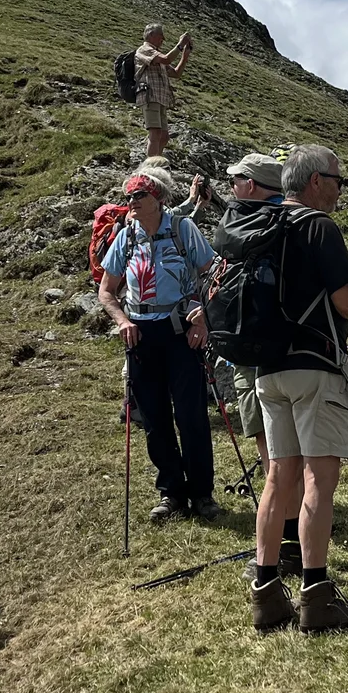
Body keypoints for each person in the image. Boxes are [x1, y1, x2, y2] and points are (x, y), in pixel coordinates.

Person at [249, 144, 348, 633]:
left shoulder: (260, 224)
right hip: (313, 366)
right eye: (338, 181)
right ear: (316, 181)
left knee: (279, 477)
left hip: (266, 368)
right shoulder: (318, 227)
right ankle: (316, 599)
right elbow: (346, 304)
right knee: (320, 479)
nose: (341, 190)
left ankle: (265, 593)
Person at [98, 169, 220, 521]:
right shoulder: (125, 238)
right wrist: (122, 321)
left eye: (139, 196)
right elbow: (106, 291)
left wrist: (204, 319)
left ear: (159, 199)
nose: (131, 203)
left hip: (182, 332)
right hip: (141, 335)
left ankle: (202, 494)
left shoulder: (183, 230)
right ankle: (171, 492)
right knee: (154, 417)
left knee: (191, 415)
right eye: (129, 197)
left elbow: (214, 275)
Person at [212, 153, 299, 573]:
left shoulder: (259, 224)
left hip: (266, 351)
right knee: (275, 451)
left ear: (255, 184)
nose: (231, 185)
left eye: (237, 179)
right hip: (261, 348)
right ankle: (288, 537)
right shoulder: (270, 221)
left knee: (277, 454)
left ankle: (282, 545)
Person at [135, 23, 193, 159]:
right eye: (161, 36)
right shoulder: (144, 50)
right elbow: (166, 59)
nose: (163, 39)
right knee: (155, 133)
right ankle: (149, 167)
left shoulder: (156, 54)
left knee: (164, 136)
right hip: (150, 96)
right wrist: (179, 45)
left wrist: (185, 56)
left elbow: (176, 73)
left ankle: (155, 162)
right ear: (151, 35)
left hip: (160, 99)